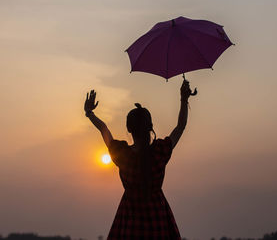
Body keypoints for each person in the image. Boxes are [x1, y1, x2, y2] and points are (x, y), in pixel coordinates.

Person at [84, 79, 196, 240]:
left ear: (129, 129)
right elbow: (180, 127)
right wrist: (184, 99)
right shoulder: (159, 152)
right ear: (150, 127)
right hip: (158, 219)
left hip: (130, 221)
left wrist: (89, 112)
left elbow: (104, 129)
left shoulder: (123, 155)